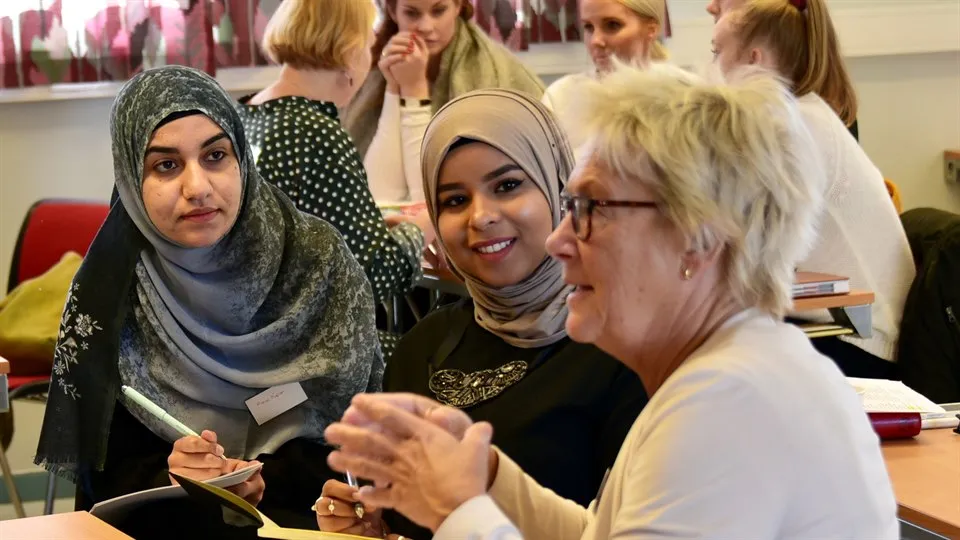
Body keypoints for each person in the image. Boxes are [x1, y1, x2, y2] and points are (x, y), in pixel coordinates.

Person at [321, 64, 899, 539]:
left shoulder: (730, 398)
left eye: (592, 210)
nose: (559, 240)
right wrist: (488, 480)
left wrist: (456, 510)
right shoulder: (718, 374)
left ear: (695, 239)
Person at [35, 66, 383, 534]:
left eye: (215, 155)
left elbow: (358, 445)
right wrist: (176, 479)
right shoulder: (109, 290)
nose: (197, 187)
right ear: (131, 180)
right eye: (166, 165)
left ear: (241, 158)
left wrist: (265, 480)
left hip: (311, 522)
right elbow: (105, 482)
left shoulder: (316, 263)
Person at [314, 89, 648, 540]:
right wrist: (372, 521)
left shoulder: (623, 350)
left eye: (507, 186)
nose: (481, 217)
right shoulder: (423, 346)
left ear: (558, 188)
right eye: (454, 201)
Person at [712, 0, 915, 377]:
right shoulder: (800, 113)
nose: (713, 70)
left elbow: (735, 234)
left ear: (754, 59)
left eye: (716, 53)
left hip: (861, 344)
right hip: (842, 326)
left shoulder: (791, 124)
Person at [238, 0, 432, 314]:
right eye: (369, 45)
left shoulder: (248, 113)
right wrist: (428, 222)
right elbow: (371, 275)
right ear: (350, 51)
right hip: (309, 344)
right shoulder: (313, 131)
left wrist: (372, 226)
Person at [343, 0, 544, 203]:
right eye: (412, 14)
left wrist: (415, 89)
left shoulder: (499, 75)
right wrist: (394, 89)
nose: (426, 26)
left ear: (457, 7)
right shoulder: (366, 69)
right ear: (393, 13)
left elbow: (434, 194)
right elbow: (375, 191)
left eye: (438, 11)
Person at [706, 0, 859, 140]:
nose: (710, 7)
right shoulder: (821, 113)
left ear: (755, 59)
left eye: (716, 51)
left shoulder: (800, 125)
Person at [542, 0, 668, 151]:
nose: (596, 40)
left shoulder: (682, 98)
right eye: (589, 27)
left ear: (651, 30)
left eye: (612, 25)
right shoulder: (560, 96)